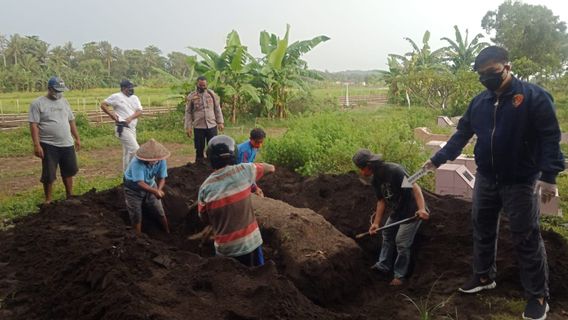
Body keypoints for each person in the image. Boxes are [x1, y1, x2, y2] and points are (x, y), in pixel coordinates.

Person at [423, 46, 564, 320]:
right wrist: (438, 159)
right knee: (482, 228)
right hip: (486, 178)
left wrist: (549, 177)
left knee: (526, 237)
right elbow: (462, 133)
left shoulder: (534, 97)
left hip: (521, 181)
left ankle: (537, 295)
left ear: (507, 67)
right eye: (482, 74)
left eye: (492, 72)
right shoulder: (479, 103)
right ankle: (484, 276)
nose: (487, 78)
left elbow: (550, 137)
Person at [353, 149, 429, 286]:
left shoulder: (395, 171)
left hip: (412, 211)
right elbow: (381, 201)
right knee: (387, 233)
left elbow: (415, 187)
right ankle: (383, 265)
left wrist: (422, 209)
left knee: (401, 242)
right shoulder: (375, 179)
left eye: (361, 169)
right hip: (398, 211)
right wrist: (376, 223)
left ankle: (399, 276)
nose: (361, 172)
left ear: (368, 166)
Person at [198, 135, 275, 267]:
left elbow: (204, 219)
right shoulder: (245, 170)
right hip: (251, 244)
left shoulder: (204, 188)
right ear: (234, 154)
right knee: (260, 276)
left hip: (225, 249)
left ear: (211, 159)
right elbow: (271, 168)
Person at [28, 76, 81, 204]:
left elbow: (71, 120)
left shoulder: (64, 101)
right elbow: (33, 125)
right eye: (56, 90)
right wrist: (37, 145)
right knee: (49, 173)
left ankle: (69, 195)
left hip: (67, 143)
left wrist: (77, 138)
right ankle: (48, 200)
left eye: (60, 91)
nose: (58, 94)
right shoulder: (38, 103)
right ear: (49, 89)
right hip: (48, 144)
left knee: (69, 170)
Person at [124, 139, 171, 236]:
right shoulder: (137, 163)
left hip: (150, 185)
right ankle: (138, 236)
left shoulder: (161, 161)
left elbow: (162, 178)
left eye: (156, 159)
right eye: (151, 160)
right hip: (133, 189)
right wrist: (155, 191)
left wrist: (159, 190)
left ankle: (167, 232)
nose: (154, 161)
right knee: (136, 214)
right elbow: (140, 183)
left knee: (159, 210)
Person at [100, 79, 143, 172]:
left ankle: (126, 175)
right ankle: (133, 173)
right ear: (123, 88)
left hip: (132, 128)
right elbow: (103, 104)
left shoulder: (135, 98)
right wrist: (111, 114)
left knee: (127, 153)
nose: (132, 89)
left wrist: (131, 118)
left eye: (132, 87)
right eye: (129, 88)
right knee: (135, 150)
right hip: (122, 127)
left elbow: (139, 111)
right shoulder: (116, 97)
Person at [184, 76, 224, 163]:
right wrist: (188, 127)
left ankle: (212, 165)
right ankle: (199, 166)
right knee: (199, 148)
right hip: (199, 127)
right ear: (197, 84)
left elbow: (217, 108)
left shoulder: (212, 94)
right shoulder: (191, 96)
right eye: (201, 85)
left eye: (204, 85)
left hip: (212, 125)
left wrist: (220, 122)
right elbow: (188, 112)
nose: (202, 87)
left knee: (213, 147)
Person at [237, 128, 266, 196]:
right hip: (236, 173)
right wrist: (254, 188)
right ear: (250, 139)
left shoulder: (254, 146)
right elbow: (244, 171)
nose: (259, 145)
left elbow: (250, 165)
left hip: (243, 168)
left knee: (270, 168)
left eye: (261, 142)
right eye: (257, 142)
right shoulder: (245, 151)